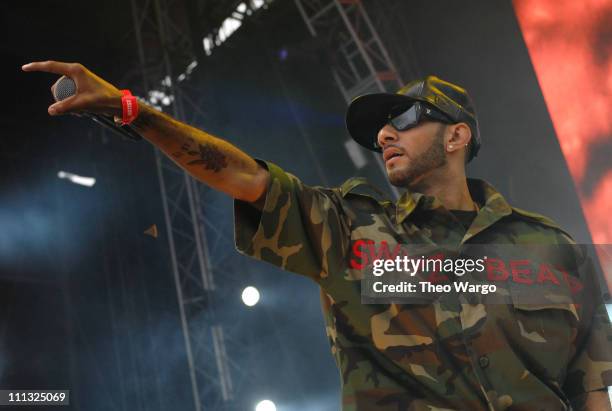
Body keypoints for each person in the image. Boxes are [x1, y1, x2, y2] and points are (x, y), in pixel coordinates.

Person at [23, 61, 612, 410]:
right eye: (380, 127)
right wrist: (132, 109)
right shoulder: (350, 230)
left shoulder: (550, 247)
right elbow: (241, 175)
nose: (384, 134)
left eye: (403, 119)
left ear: (457, 136)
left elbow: (593, 390)